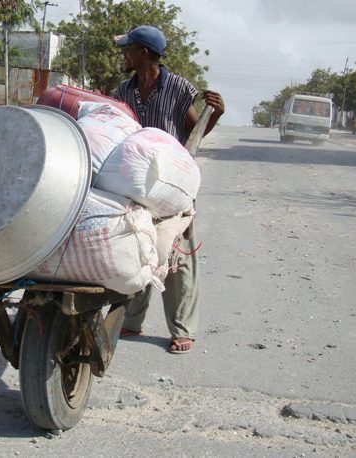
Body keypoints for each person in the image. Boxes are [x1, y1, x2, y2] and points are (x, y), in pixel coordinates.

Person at [113, 25, 225, 354]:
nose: (124, 54)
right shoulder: (124, 90)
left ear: (144, 53)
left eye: (128, 49)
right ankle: (131, 320)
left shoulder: (176, 87)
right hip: (134, 180)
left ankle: (182, 327)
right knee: (136, 245)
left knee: (176, 255)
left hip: (171, 182)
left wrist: (214, 115)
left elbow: (194, 132)